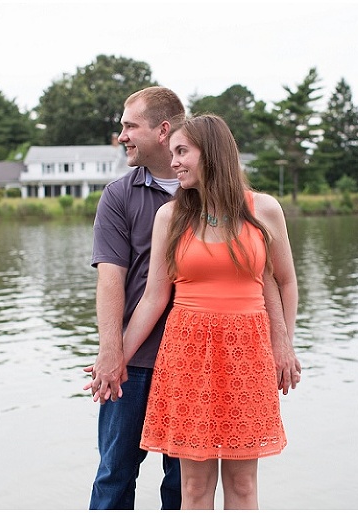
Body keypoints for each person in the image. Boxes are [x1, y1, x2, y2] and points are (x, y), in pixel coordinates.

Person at [88, 114, 300, 509]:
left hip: (247, 355)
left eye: (182, 152)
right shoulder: (170, 216)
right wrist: (117, 359)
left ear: (212, 153)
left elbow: (285, 281)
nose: (175, 163)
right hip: (187, 356)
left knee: (243, 486)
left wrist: (283, 346)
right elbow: (154, 297)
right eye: (172, 153)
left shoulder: (265, 210)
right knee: (194, 489)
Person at [84, 86, 185, 510]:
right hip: (133, 362)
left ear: (162, 130)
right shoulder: (119, 195)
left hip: (191, 362)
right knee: (114, 478)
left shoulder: (206, 192)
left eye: (129, 126)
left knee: (184, 488)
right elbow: (110, 280)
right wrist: (112, 353)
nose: (121, 135)